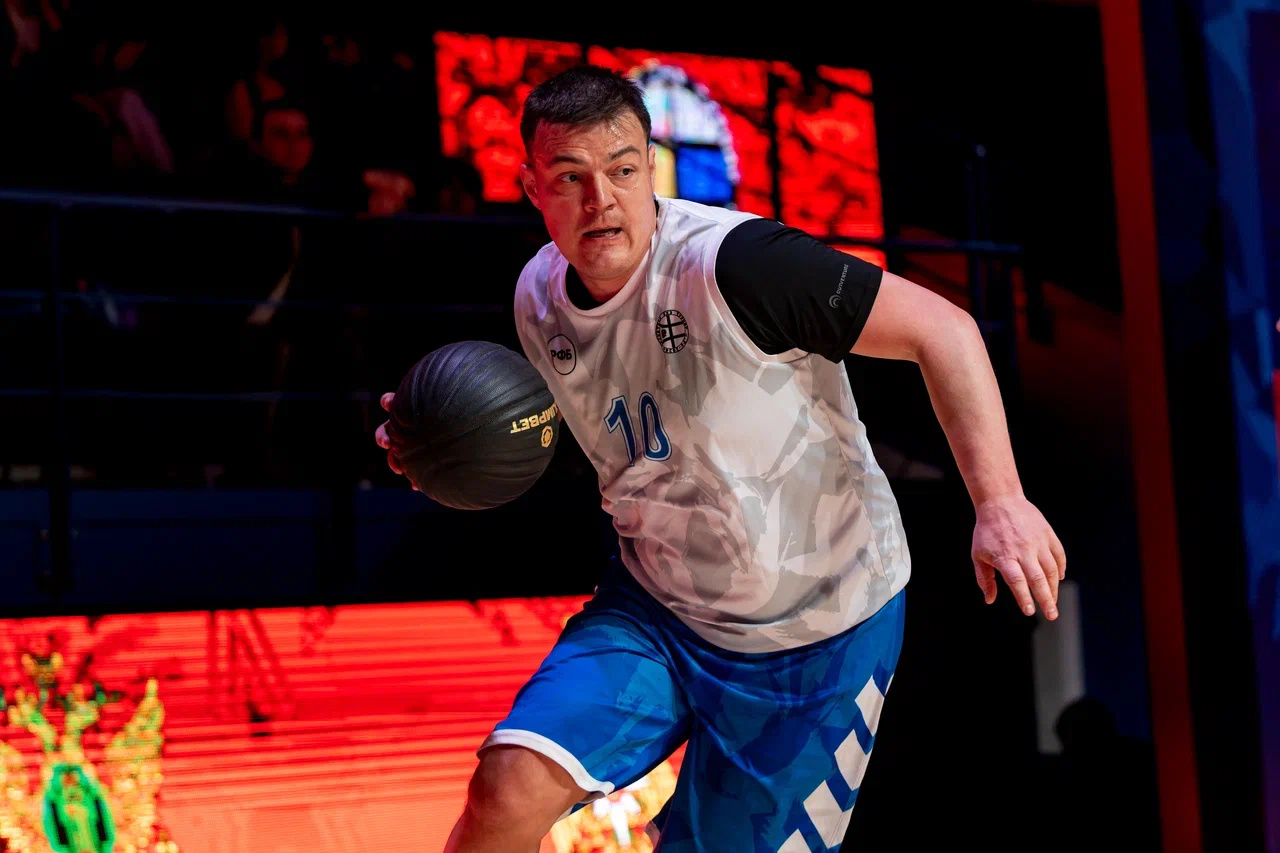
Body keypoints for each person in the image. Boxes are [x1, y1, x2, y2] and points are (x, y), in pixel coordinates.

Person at [375, 65, 1067, 852]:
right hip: (658, 607)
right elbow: (567, 413)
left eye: (622, 170)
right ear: (532, 187)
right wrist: (431, 438)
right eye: (570, 178)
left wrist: (1001, 500)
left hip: (817, 635)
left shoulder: (740, 264)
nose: (602, 200)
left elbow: (944, 329)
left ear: (650, 167)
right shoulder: (537, 297)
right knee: (505, 788)